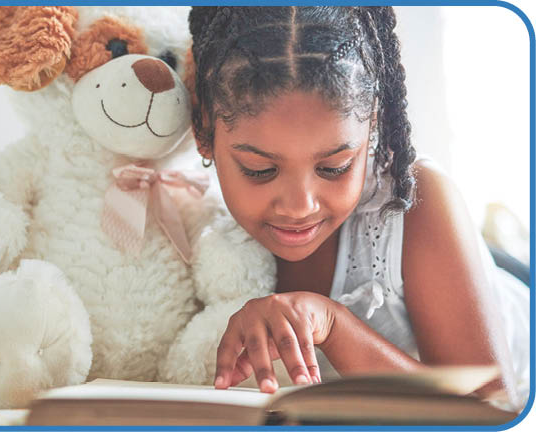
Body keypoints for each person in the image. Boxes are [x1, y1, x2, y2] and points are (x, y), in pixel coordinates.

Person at [187, 6, 530, 410]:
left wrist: (333, 325)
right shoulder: (190, 210)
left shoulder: (413, 200)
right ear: (204, 129)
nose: (301, 206)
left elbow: (493, 410)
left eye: (334, 167)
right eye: (260, 170)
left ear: (372, 124)